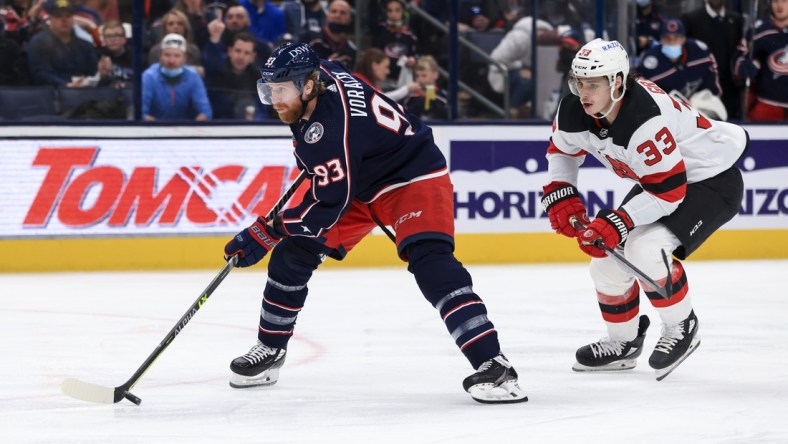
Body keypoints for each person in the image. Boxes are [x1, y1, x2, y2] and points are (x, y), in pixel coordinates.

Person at [222, 42, 527, 404]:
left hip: (412, 175)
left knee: (431, 263)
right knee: (293, 255)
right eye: (269, 89)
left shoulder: (330, 131)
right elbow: (326, 59)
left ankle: (495, 365)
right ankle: (270, 350)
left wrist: (266, 231)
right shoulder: (321, 76)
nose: (274, 99)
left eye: (281, 90)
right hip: (358, 175)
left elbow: (325, 208)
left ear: (308, 86)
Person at [541, 38, 747, 380]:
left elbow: (669, 193)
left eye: (593, 84)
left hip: (712, 180)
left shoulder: (643, 119)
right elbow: (561, 149)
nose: (583, 92)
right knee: (605, 259)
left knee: (646, 249)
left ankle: (682, 325)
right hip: (663, 181)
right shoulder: (574, 110)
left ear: (618, 82)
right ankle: (623, 343)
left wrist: (618, 220)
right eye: (578, 82)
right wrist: (562, 192)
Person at [637, 18, 726, 120]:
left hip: (700, 106)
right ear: (661, 39)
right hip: (668, 113)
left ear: (684, 39)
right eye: (667, 38)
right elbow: (642, 92)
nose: (671, 42)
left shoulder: (699, 51)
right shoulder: (650, 60)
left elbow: (713, 80)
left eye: (676, 38)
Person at [681, 0, 744, 120]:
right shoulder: (691, 19)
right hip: (702, 91)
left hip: (731, 90)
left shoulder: (736, 20)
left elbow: (740, 51)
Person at [487, 16, 553, 119]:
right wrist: (521, 68)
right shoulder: (519, 37)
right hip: (503, 71)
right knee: (525, 80)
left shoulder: (546, 42)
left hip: (530, 72)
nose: (542, 34)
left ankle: (533, 110)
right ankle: (513, 111)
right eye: (540, 31)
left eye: (544, 32)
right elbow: (496, 59)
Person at [734, 0, 788, 121]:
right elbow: (738, 60)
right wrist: (743, 67)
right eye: (775, 1)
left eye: (784, 1)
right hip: (768, 106)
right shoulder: (759, 31)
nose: (779, 6)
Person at [26, 0, 99, 87]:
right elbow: (41, 74)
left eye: (68, 16)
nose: (64, 20)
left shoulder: (85, 45)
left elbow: (93, 72)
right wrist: (66, 85)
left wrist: (102, 74)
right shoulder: (39, 43)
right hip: (52, 94)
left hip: (84, 92)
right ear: (50, 19)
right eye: (58, 16)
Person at [141, 33, 212, 120]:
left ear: (184, 58)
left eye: (177, 56)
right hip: (155, 131)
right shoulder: (149, 77)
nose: (171, 61)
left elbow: (205, 112)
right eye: (167, 55)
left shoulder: (193, 77)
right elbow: (141, 113)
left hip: (187, 131)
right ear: (160, 56)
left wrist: (190, 129)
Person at [203, 31, 263, 119]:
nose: (241, 57)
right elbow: (210, 60)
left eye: (246, 53)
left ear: (252, 57)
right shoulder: (216, 72)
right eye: (238, 51)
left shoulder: (259, 78)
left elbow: (263, 110)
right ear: (230, 51)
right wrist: (214, 39)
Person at [300, 0, 356, 67]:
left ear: (349, 19)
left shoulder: (351, 49)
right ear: (327, 15)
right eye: (334, 11)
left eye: (343, 13)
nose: (337, 15)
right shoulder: (309, 38)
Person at [353, 47, 419, 102]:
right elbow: (382, 99)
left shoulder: (361, 82)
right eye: (386, 67)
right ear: (374, 66)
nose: (388, 72)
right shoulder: (358, 84)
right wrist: (407, 88)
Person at [401, 55, 449, 120]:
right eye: (417, 76)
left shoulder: (444, 96)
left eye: (424, 76)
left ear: (435, 75)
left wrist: (431, 98)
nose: (420, 79)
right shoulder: (410, 97)